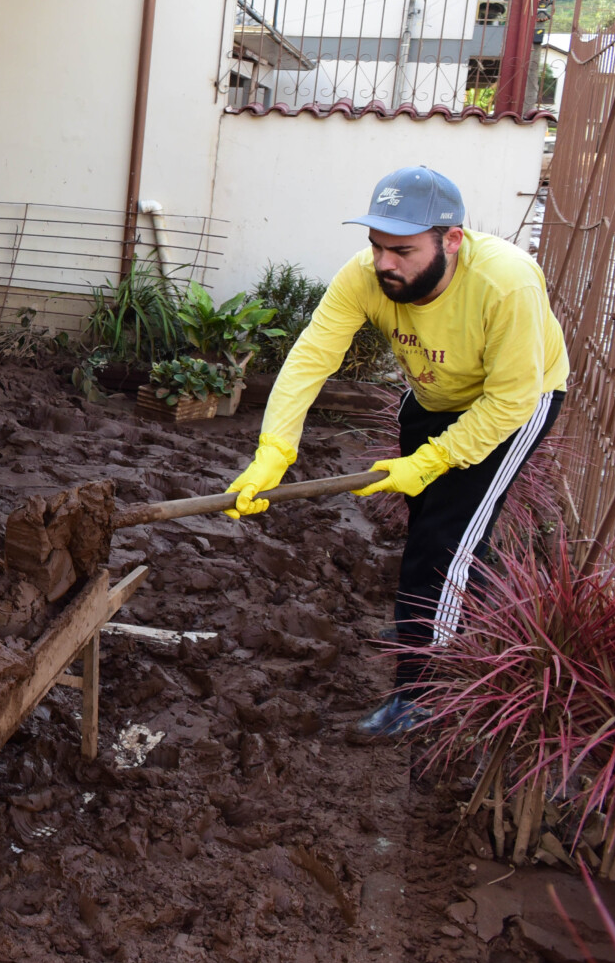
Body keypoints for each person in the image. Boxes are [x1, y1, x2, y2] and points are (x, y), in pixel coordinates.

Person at [225, 166, 569, 737]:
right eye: (377, 245)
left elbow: (510, 403)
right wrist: (273, 452)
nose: (384, 263)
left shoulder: (508, 283)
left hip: (512, 402)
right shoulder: (364, 275)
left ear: (451, 240)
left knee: (443, 542)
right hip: (434, 393)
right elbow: (311, 357)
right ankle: (441, 622)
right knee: (434, 526)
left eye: (402, 250)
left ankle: (426, 691)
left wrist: (429, 462)